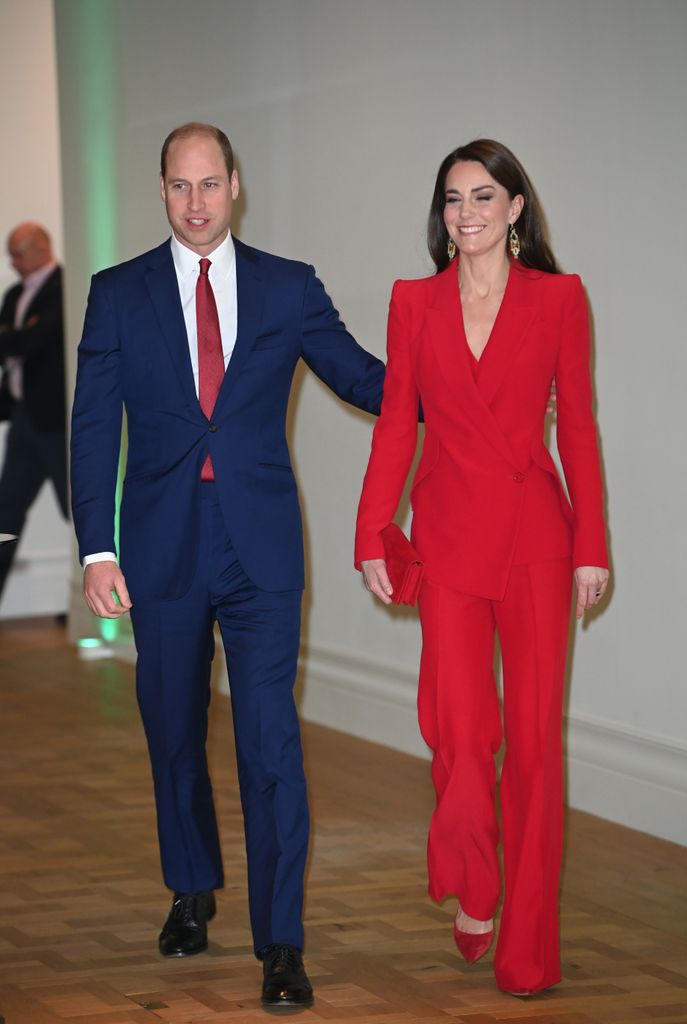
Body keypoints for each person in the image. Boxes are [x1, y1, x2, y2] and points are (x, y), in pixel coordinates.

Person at [70, 123, 385, 1011]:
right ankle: (191, 885)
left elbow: (361, 378)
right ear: (161, 190)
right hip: (162, 543)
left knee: (269, 744)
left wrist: (460, 389)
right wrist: (97, 548)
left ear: (235, 185)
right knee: (172, 733)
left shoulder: (288, 287)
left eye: (211, 184)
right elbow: (94, 424)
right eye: (180, 186)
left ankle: (280, 941)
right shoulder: (118, 294)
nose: (196, 202)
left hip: (261, 546)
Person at [355, 139, 609, 997]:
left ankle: (528, 951)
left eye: (483, 197)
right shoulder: (412, 301)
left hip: (538, 539)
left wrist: (592, 547)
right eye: (453, 199)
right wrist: (370, 530)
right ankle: (477, 876)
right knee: (459, 733)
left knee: (534, 749)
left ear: (515, 210)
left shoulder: (558, 299)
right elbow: (397, 423)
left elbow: (575, 425)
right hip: (450, 540)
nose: (466, 213)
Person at [0, 223, 67, 605]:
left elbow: (33, 341)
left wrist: (17, 338)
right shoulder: (13, 295)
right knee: (5, 513)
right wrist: (18, 339)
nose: (12, 262)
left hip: (55, 422)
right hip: (23, 417)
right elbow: (9, 344)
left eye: (18, 253)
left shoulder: (64, 288)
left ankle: (90, 593)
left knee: (76, 509)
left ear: (41, 248)